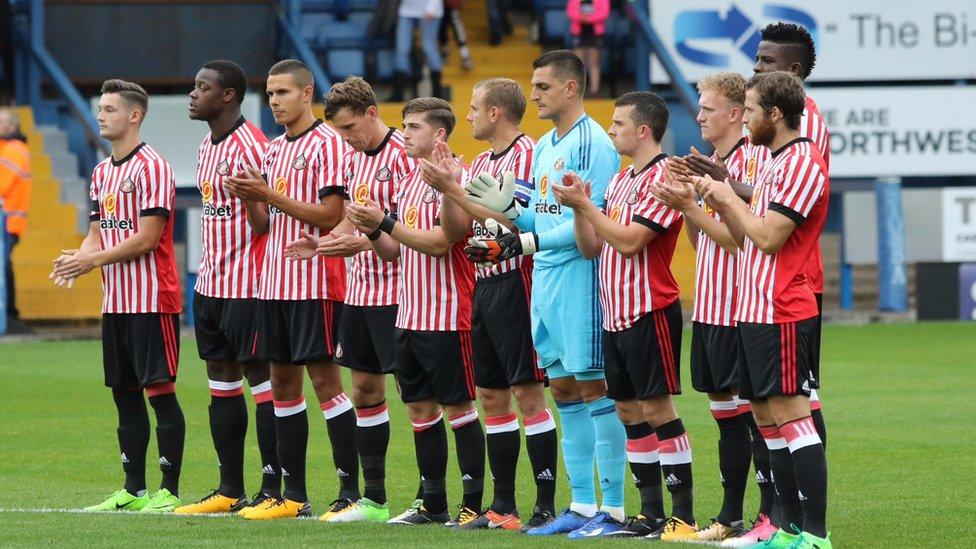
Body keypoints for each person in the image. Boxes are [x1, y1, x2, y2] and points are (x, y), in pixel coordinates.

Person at [463, 50, 628, 538]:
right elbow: (543, 215)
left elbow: (588, 232)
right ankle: (580, 504)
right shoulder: (544, 148)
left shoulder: (593, 144)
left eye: (542, 86)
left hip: (579, 276)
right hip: (546, 277)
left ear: (571, 88)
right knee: (562, 389)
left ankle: (614, 509)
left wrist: (525, 238)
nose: (533, 94)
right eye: (533, 86)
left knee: (594, 386)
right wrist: (510, 213)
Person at [675, 71, 832, 549]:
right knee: (764, 417)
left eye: (753, 109)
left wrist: (724, 197)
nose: (747, 116)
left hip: (783, 307)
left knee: (791, 416)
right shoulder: (770, 164)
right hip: (753, 308)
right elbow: (744, 239)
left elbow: (767, 238)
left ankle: (815, 534)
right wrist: (707, 200)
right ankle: (785, 529)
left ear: (775, 115)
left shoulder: (802, 163)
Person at [554, 91, 698, 540]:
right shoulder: (618, 182)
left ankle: (683, 516)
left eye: (618, 123)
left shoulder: (664, 178)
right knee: (627, 410)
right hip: (615, 313)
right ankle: (649, 515)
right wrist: (581, 207)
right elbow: (591, 246)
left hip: (649, 309)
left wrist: (586, 208)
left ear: (643, 130)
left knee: (657, 407)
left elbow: (632, 241)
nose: (611, 130)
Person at [420, 78, 557, 531]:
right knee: (493, 395)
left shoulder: (529, 155)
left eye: (475, 107)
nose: (470, 115)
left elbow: (510, 220)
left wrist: (455, 188)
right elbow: (459, 229)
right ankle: (503, 506)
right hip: (484, 285)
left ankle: (544, 505)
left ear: (496, 112)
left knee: (527, 393)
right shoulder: (479, 160)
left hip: (518, 283)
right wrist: (445, 187)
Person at [222, 59, 357, 520]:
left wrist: (270, 195)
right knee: (281, 384)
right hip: (273, 283)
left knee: (325, 383)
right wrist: (250, 199)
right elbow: (264, 225)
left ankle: (351, 492)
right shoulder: (272, 150)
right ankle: (294, 497)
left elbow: (331, 216)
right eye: (270, 93)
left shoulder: (328, 144)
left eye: (283, 92)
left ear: (306, 93)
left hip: (316, 283)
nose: (275, 101)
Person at [684, 22, 829, 449]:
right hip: (758, 289)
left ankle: (802, 505)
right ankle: (778, 510)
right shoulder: (759, 133)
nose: (757, 66)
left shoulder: (807, 126)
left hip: (791, 277)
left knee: (794, 400)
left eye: (768, 60)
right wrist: (718, 184)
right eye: (758, 58)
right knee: (765, 405)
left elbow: (791, 195)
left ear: (795, 68)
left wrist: (722, 189)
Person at [345, 97, 485, 527]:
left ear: (439, 134)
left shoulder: (456, 177)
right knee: (420, 412)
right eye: (404, 125)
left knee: (459, 410)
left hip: (447, 316)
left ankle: (473, 507)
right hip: (408, 317)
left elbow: (445, 240)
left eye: (414, 126)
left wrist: (385, 223)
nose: (403, 133)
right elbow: (394, 253)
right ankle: (433, 504)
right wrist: (371, 227)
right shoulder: (407, 181)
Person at [284, 76, 416, 523]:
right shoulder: (353, 158)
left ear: (372, 114)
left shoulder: (403, 156)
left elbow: (407, 226)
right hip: (360, 293)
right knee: (363, 389)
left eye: (348, 128)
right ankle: (374, 499)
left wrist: (358, 242)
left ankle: (428, 497)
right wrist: (321, 245)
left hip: (403, 291)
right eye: (337, 130)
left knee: (416, 395)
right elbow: (348, 223)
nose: (343, 138)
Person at [51, 79, 185, 514]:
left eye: (109, 108)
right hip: (116, 302)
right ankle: (133, 488)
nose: (101, 115)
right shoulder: (101, 172)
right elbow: (95, 235)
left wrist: (94, 260)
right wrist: (78, 257)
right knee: (124, 394)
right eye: (100, 109)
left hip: (152, 299)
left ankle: (168, 490)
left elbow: (148, 238)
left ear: (134, 115)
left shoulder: (153, 167)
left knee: (159, 391)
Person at [652, 72, 773, 544]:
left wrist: (695, 204)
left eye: (706, 108)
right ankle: (730, 515)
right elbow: (704, 244)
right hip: (710, 306)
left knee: (758, 416)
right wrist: (687, 205)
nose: (698, 115)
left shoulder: (751, 162)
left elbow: (743, 241)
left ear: (735, 113)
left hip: (743, 307)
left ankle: (768, 516)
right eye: (699, 107)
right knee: (725, 415)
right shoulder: (714, 163)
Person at [173, 60, 281, 516]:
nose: (193, 94)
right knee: (220, 381)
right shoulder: (205, 146)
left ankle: (276, 486)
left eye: (203, 87)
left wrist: (251, 197)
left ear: (229, 96)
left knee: (263, 381)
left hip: (249, 284)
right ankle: (228, 489)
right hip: (211, 280)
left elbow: (264, 224)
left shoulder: (253, 145)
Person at [0, 108, 30, 326]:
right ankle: (9, 313)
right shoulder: (11, 149)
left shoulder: (13, 150)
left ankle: (9, 315)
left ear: (11, 126)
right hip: (10, 221)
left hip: (7, 222)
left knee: (3, 266)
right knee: (4, 265)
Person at [392, 0, 445, 101]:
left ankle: (437, 92)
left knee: (429, 47)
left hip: (430, 10)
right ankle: (398, 93)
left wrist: (432, 7)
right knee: (402, 48)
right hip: (406, 10)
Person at [566, 0, 610, 97]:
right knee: (578, 62)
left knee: (594, 62)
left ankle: (595, 90)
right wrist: (581, 17)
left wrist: (589, 18)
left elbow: (604, 13)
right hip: (578, 32)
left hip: (595, 32)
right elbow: (570, 12)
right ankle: (577, 90)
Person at [439, 0, 474, 71]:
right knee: (441, 29)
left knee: (458, 28)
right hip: (438, 7)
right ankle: (444, 52)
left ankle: (465, 55)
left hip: (452, 6)